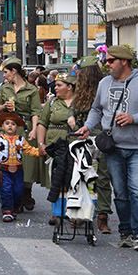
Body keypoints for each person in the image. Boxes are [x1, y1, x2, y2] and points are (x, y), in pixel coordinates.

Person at [75, 45, 138, 252]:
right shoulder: (105, 83)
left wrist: (135, 118)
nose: (107, 65)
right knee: (121, 194)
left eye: (111, 61)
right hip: (113, 147)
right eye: (106, 61)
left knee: (137, 191)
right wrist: (88, 126)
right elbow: (97, 109)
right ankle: (126, 232)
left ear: (124, 61)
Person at [72, 55, 113, 233]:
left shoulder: (105, 89)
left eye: (80, 72)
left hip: (102, 138)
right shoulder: (79, 93)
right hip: (83, 138)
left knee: (102, 178)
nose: (78, 75)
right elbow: (74, 112)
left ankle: (103, 215)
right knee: (81, 177)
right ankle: (82, 211)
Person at [0, 57, 42, 212]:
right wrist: (4, 106)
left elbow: (36, 111)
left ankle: (25, 193)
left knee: (26, 163)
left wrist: (35, 129)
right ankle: (11, 196)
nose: (4, 75)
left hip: (25, 127)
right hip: (9, 127)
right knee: (9, 161)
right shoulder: (5, 88)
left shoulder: (32, 89)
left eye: (5, 72)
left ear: (14, 71)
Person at [37, 73, 77, 224]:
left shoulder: (80, 103)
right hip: (55, 144)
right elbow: (42, 123)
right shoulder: (52, 102)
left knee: (74, 178)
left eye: (59, 85)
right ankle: (57, 211)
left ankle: (74, 212)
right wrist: (41, 144)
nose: (55, 88)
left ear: (69, 86)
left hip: (74, 143)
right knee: (56, 177)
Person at [0, 112, 41, 222]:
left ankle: (15, 208)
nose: (10, 126)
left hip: (18, 169)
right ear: (2, 126)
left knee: (18, 190)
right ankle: (7, 210)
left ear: (17, 127)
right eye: (7, 123)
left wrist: (38, 152)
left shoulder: (20, 139)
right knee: (6, 189)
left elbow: (28, 149)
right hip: (4, 169)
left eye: (13, 124)